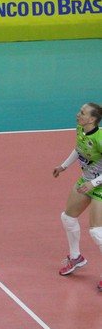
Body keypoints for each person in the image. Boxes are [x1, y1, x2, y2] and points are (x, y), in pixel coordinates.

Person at [52, 102, 102, 289]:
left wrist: (93, 183)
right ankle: (76, 258)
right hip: (86, 181)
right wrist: (63, 166)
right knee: (68, 217)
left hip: (100, 186)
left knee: (97, 231)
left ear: (92, 119)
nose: (77, 115)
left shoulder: (100, 138)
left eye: (82, 113)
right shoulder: (80, 130)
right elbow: (79, 148)